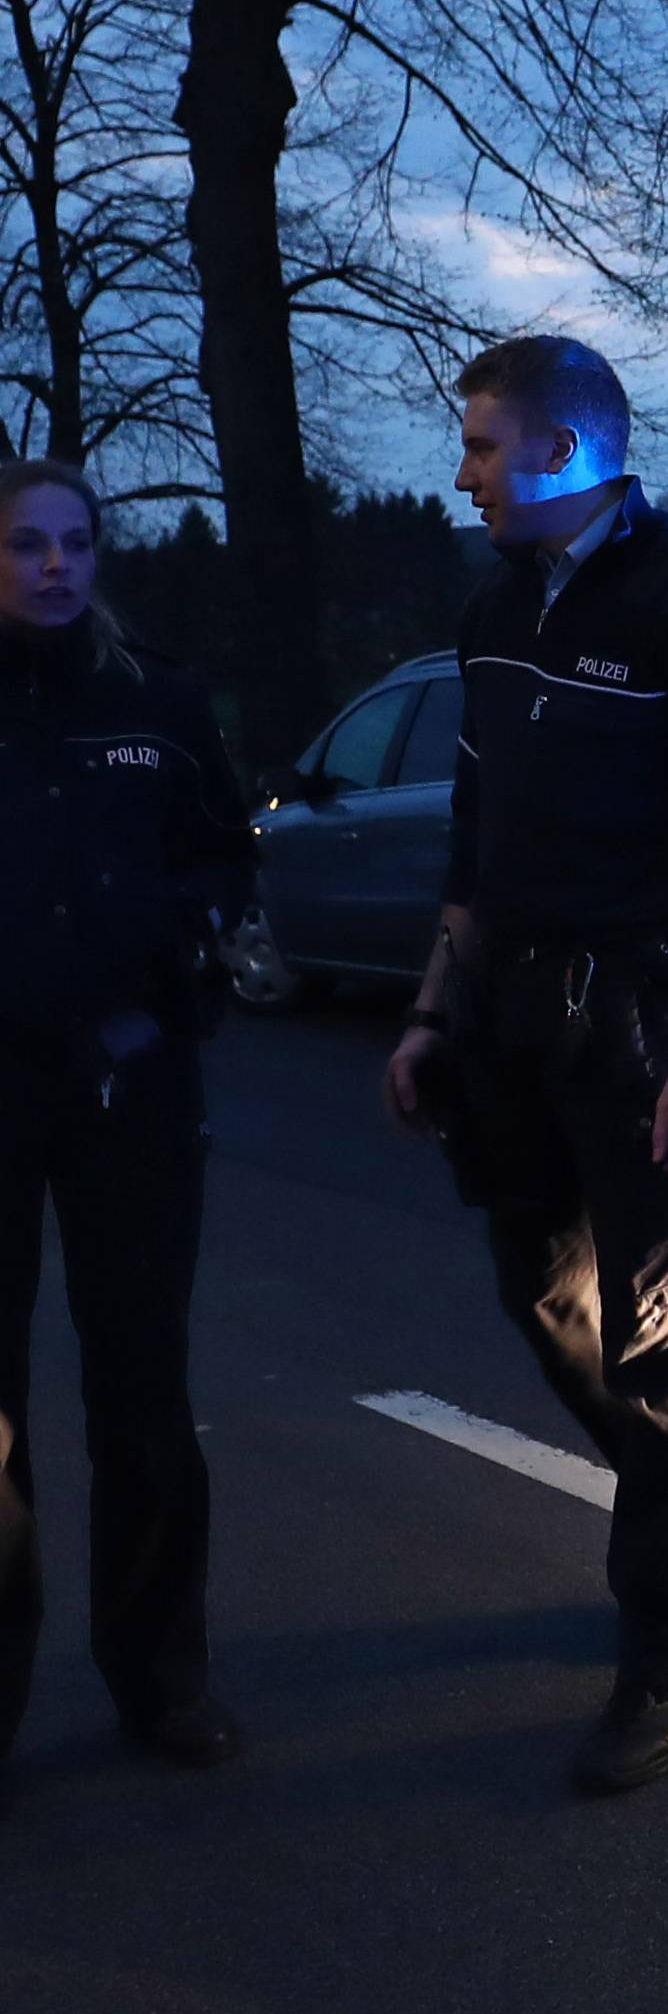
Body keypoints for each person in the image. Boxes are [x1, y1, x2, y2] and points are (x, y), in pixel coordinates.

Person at [386, 335, 668, 1795]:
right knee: (537, 1290)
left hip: (644, 1027)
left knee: (660, 1339)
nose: (465, 472)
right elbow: (474, 831)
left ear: (564, 452)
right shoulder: (496, 604)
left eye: (485, 446)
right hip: (510, 1013)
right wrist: (435, 1010)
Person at [0, 459, 254, 1788]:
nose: (55, 565)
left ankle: (164, 1677)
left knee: (142, 1392)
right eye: (28, 544)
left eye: (76, 543)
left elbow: (224, 846)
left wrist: (187, 931)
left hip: (131, 1083)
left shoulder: (157, 700)